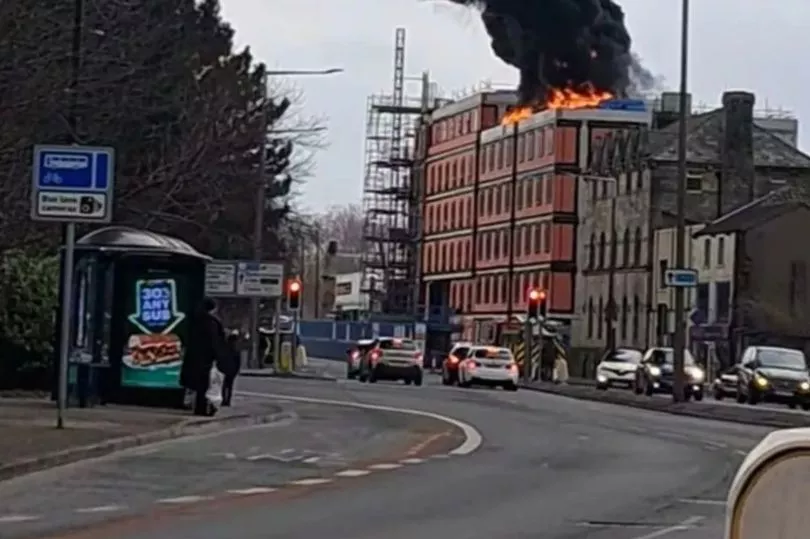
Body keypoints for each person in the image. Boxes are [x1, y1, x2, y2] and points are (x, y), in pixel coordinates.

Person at [180, 297, 227, 416]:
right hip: (206, 358)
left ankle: (193, 405)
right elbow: (214, 341)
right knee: (204, 385)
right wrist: (218, 356)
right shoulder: (212, 323)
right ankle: (202, 408)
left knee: (194, 384)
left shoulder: (195, 320)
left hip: (193, 356)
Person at [219, 331, 241, 406]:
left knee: (224, 386)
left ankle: (224, 400)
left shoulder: (225, 349)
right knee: (229, 386)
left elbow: (221, 359)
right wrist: (236, 371)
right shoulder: (236, 350)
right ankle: (228, 401)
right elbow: (238, 362)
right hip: (232, 371)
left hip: (225, 370)